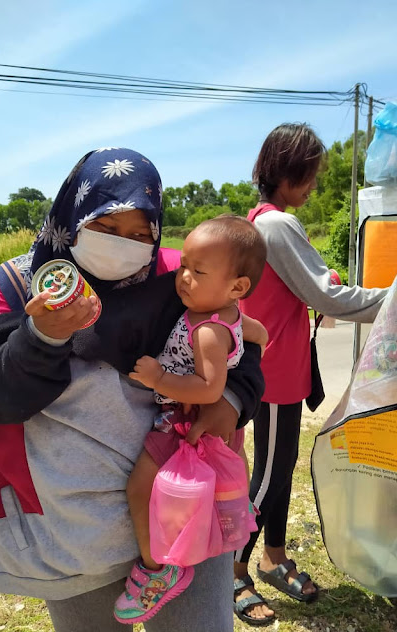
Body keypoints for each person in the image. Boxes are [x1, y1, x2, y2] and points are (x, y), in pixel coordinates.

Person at [0, 148, 264, 632]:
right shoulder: (20, 287)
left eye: (142, 233)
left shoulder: (177, 276)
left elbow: (239, 340)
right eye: (108, 227)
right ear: (73, 215)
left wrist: (232, 399)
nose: (127, 244)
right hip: (75, 540)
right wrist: (42, 339)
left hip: (185, 515)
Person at [233, 123, 389, 626]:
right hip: (275, 372)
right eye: (311, 176)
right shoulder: (277, 225)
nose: (315, 186)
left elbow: (304, 288)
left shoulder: (265, 221)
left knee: (280, 470)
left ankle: (273, 557)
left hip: (282, 369)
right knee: (270, 476)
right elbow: (326, 296)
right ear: (287, 172)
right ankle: (234, 568)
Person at [114, 215, 268, 624]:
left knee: (139, 488)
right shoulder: (227, 311)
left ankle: (156, 569)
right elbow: (259, 334)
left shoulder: (207, 331)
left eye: (197, 272)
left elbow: (209, 390)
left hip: (183, 419)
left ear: (237, 286)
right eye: (183, 265)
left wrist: (159, 377)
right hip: (186, 417)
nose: (182, 277)